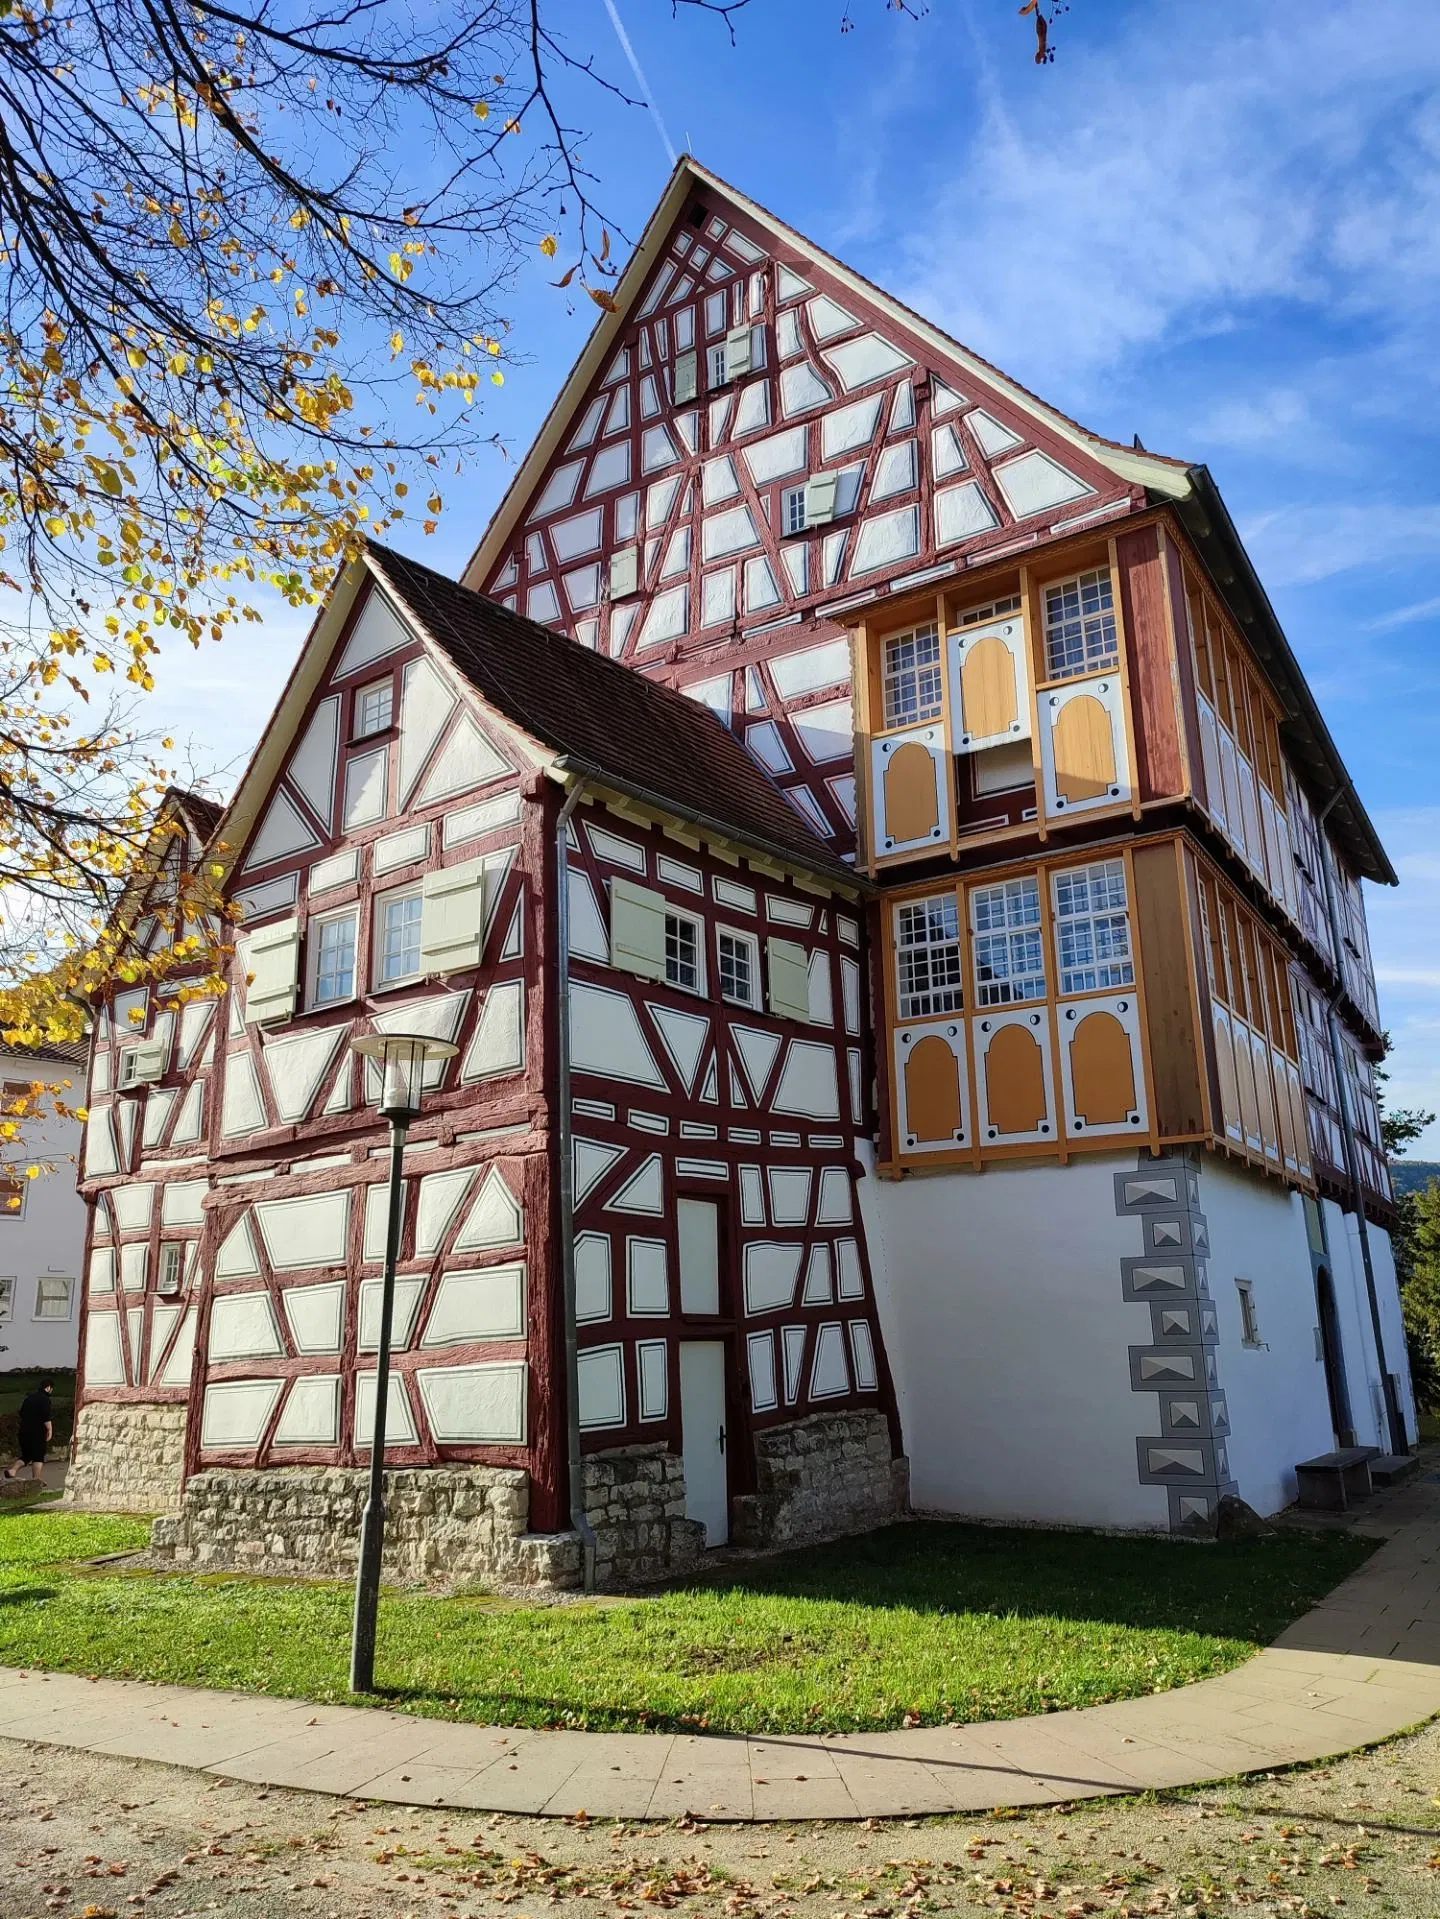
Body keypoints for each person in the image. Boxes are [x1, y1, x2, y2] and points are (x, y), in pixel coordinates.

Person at [5, 1379, 52, 1482]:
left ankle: (12, 1471)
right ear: (48, 1387)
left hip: (24, 1430)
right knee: (39, 1455)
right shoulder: (45, 1399)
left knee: (27, 1455)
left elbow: (21, 1412)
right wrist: (49, 1430)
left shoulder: (29, 1398)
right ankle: (36, 1479)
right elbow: (46, 1416)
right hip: (37, 1432)